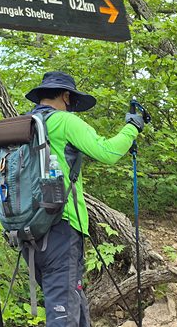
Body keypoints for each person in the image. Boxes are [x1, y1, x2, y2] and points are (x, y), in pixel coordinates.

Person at [25, 71, 143, 327]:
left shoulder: (24, 125)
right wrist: (133, 126)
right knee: (63, 313)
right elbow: (108, 151)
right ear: (66, 95)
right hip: (61, 226)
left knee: (72, 302)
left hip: (28, 231)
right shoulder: (64, 122)